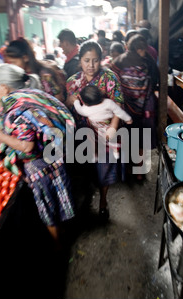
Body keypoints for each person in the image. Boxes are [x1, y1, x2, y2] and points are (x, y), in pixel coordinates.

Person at [0, 63, 75, 244]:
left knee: (47, 204)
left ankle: (58, 246)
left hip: (39, 165)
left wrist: (1, 136)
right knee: (60, 194)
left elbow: (27, 146)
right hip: (55, 154)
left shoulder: (16, 110)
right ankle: (66, 232)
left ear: (4, 87)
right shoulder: (30, 94)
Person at [66, 40, 124, 219]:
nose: (91, 65)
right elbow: (67, 104)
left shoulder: (110, 78)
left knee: (104, 168)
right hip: (82, 133)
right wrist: (69, 100)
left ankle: (103, 199)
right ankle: (87, 196)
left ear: (101, 59)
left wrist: (113, 127)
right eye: (86, 60)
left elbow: (118, 103)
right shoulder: (73, 81)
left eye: (95, 60)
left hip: (104, 132)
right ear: (80, 60)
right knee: (85, 167)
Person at [111, 34, 159, 181]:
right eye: (143, 49)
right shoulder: (148, 62)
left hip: (125, 106)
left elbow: (112, 80)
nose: (145, 52)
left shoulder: (118, 61)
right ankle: (139, 170)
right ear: (140, 49)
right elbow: (156, 78)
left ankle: (128, 169)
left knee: (129, 137)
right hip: (146, 107)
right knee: (142, 138)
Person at [74, 85, 132, 159]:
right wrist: (128, 119)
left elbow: (78, 108)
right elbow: (119, 112)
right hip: (109, 127)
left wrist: (76, 101)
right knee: (114, 140)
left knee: (94, 142)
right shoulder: (108, 103)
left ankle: (95, 155)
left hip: (96, 130)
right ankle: (116, 152)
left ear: (85, 102)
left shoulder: (85, 110)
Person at [4, 38, 66, 103]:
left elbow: (58, 99)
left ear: (25, 58)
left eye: (14, 62)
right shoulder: (21, 76)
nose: (12, 66)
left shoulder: (44, 75)